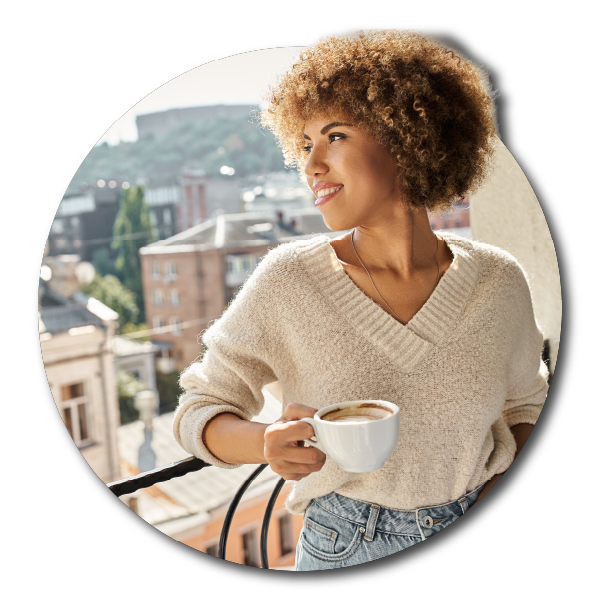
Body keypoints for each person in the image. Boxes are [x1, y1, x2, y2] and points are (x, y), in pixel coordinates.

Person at [173, 29, 549, 569]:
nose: (311, 165)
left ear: (408, 134)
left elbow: (527, 405)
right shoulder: (289, 280)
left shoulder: (499, 281)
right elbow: (198, 411)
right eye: (303, 145)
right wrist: (265, 443)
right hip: (345, 546)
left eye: (335, 137)